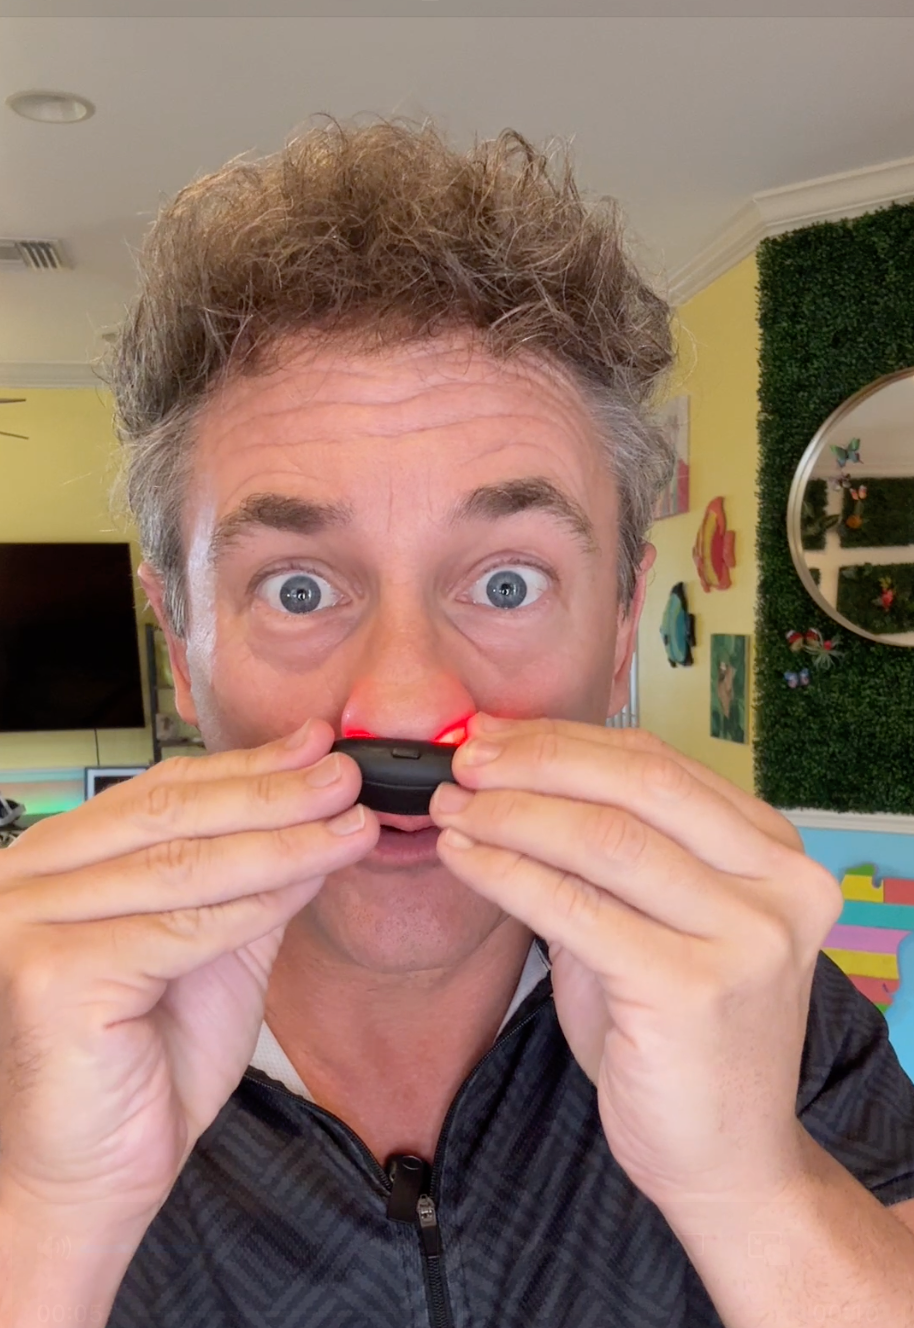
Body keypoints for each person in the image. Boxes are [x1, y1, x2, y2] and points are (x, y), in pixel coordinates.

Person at [2, 121, 914, 1328]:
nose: (402, 706)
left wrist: (753, 1185)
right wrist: (44, 1211)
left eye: (506, 582)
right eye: (296, 588)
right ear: (178, 644)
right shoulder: (25, 1031)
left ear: (621, 624)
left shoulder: (756, 998)